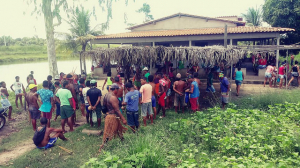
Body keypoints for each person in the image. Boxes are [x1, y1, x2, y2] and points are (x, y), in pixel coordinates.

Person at [99, 83, 127, 152]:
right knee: (108, 132)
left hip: (109, 115)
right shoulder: (113, 97)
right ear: (115, 89)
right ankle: (103, 146)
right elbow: (117, 110)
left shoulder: (107, 95)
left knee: (119, 128)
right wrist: (123, 119)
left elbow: (104, 106)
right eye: (117, 89)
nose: (118, 91)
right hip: (112, 117)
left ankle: (123, 140)